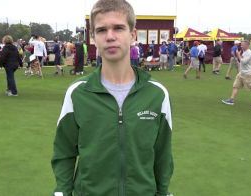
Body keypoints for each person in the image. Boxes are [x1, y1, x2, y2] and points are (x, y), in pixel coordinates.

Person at [51, 0, 174, 195]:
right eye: (101, 30)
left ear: (132, 34)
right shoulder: (78, 93)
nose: (110, 36)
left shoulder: (157, 94)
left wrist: (163, 192)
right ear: (93, 37)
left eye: (118, 28)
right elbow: (64, 152)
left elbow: (163, 155)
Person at [222, 40, 251, 108]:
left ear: (247, 45)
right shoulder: (244, 52)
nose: (241, 46)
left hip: (247, 74)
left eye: (243, 45)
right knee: (235, 86)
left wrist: (238, 55)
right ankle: (231, 100)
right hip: (241, 73)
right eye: (241, 44)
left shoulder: (249, 53)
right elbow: (242, 61)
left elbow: (244, 62)